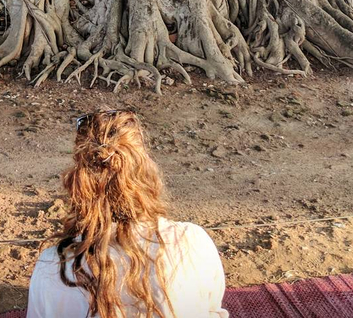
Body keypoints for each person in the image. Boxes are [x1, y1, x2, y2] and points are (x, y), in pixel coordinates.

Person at [26, 109, 229, 318]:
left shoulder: (52, 267)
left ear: (77, 180)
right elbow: (212, 308)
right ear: (146, 169)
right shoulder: (193, 242)